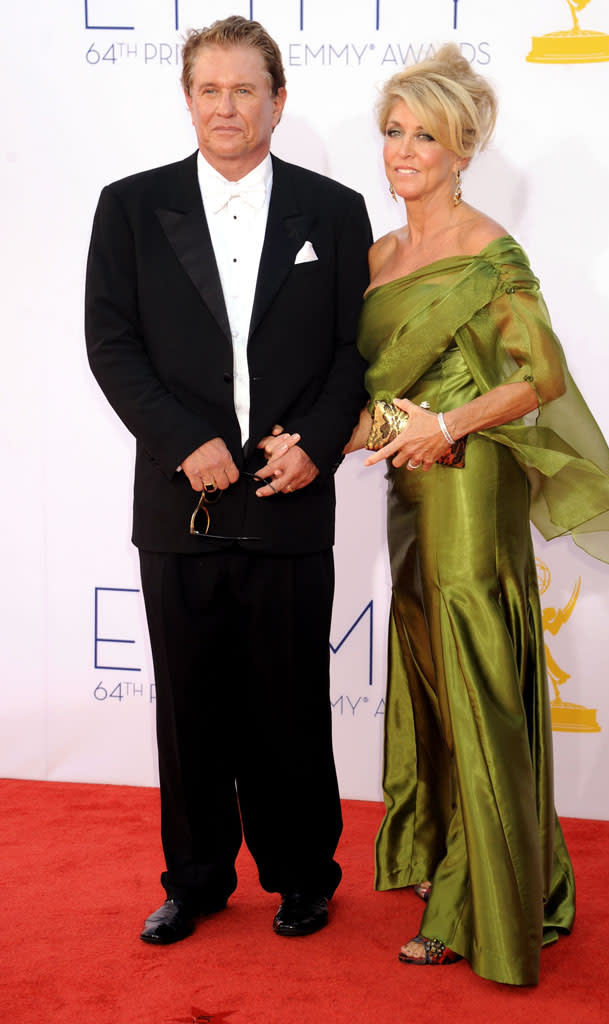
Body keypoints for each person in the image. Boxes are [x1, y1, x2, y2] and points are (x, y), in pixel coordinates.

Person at [349, 45, 609, 985]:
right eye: (392, 132)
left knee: (477, 679)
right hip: (408, 487)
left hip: (472, 482)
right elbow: (374, 388)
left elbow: (539, 380)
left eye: (423, 136)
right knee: (433, 671)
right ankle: (483, 867)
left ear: (462, 150)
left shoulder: (488, 250)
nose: (403, 151)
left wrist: (448, 423)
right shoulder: (376, 255)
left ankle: (481, 905)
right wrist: (352, 431)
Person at [85, 15, 372, 945]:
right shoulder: (128, 206)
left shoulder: (333, 211)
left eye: (244, 89)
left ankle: (302, 877)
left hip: (292, 496)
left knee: (290, 702)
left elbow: (350, 353)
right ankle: (196, 880)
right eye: (208, 89)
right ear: (187, 99)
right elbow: (111, 345)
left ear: (277, 101)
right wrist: (181, 440)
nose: (225, 106)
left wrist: (318, 445)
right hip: (182, 504)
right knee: (192, 708)